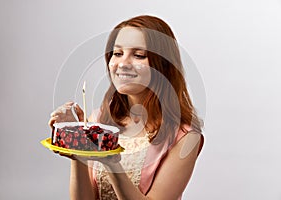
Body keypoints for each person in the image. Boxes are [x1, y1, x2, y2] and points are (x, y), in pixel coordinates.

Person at [49, 15, 204, 200]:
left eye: (139, 55)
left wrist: (112, 162)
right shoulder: (98, 119)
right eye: (117, 53)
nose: (122, 64)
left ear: (163, 65)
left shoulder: (186, 138)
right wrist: (76, 149)